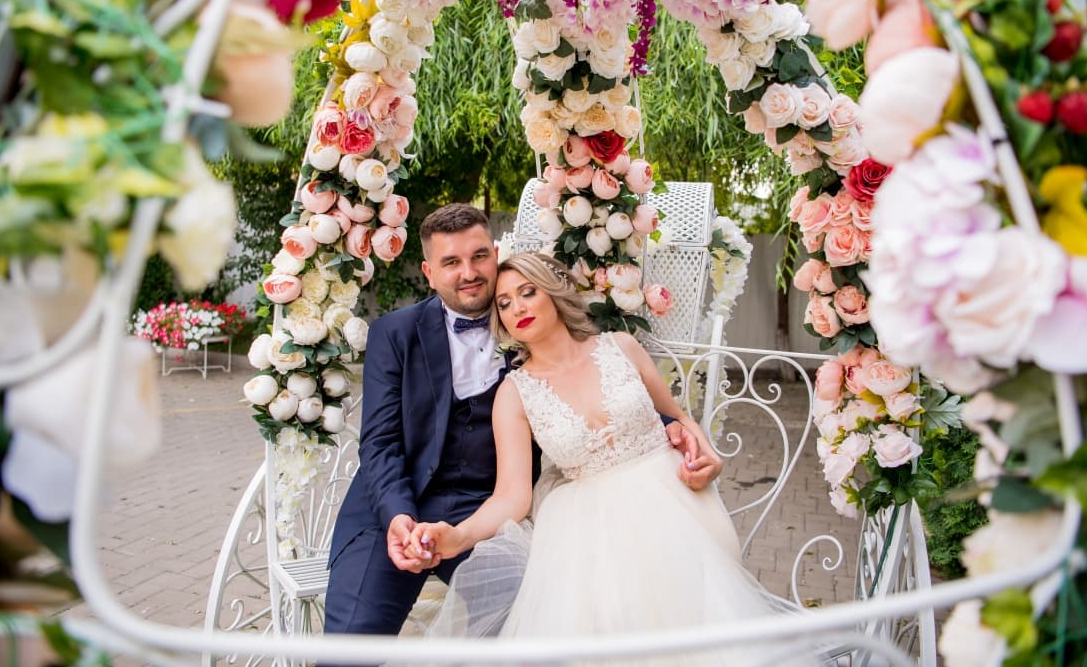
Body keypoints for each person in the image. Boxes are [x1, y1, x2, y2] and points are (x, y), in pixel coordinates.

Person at [323, 206, 715, 659]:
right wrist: (398, 518)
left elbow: (600, 390)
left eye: (478, 257)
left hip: (488, 509)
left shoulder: (529, 323)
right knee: (350, 646)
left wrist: (677, 430)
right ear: (429, 274)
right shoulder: (394, 334)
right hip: (394, 508)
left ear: (494, 254)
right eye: (451, 263)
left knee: (540, 622)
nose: (469, 273)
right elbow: (380, 444)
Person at [407, 252, 819, 666]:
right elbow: (511, 496)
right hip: (588, 533)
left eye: (527, 292)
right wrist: (457, 536)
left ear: (553, 292)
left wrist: (706, 454)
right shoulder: (514, 394)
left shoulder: (621, 347)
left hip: (672, 506)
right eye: (504, 303)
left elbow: (677, 419)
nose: (517, 308)